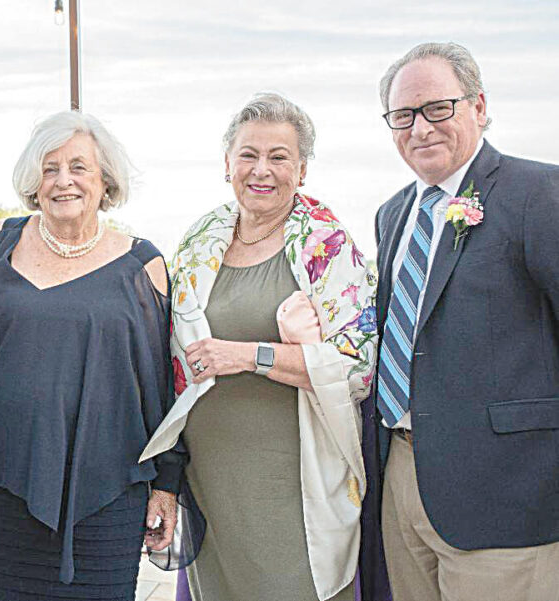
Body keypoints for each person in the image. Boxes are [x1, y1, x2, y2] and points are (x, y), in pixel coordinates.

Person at [141, 93, 378, 601]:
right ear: (227, 164)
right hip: (211, 478)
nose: (261, 170)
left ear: (303, 169)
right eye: (248, 154)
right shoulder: (202, 239)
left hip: (291, 480)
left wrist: (249, 356)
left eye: (279, 157)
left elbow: (357, 369)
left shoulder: (327, 247)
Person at [360, 41, 559, 601]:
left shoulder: (537, 193)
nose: (420, 128)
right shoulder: (393, 214)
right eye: (403, 115)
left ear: (478, 106)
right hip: (404, 479)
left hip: (510, 494)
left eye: (437, 108)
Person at [0, 110, 182, 601]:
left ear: (104, 179)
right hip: (2, 484)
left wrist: (166, 484)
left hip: (106, 491)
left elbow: (160, 385)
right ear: (32, 182)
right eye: (50, 168)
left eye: (79, 167)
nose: (64, 181)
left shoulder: (141, 263)